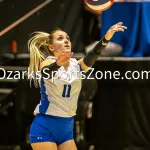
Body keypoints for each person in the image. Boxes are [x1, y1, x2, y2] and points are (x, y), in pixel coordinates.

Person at [28, 22, 127, 150]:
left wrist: (107, 37)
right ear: (51, 47)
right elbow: (47, 72)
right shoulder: (47, 62)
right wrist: (58, 63)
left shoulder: (76, 65)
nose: (66, 41)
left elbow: (94, 54)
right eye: (60, 38)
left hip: (66, 129)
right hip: (45, 126)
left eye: (68, 38)